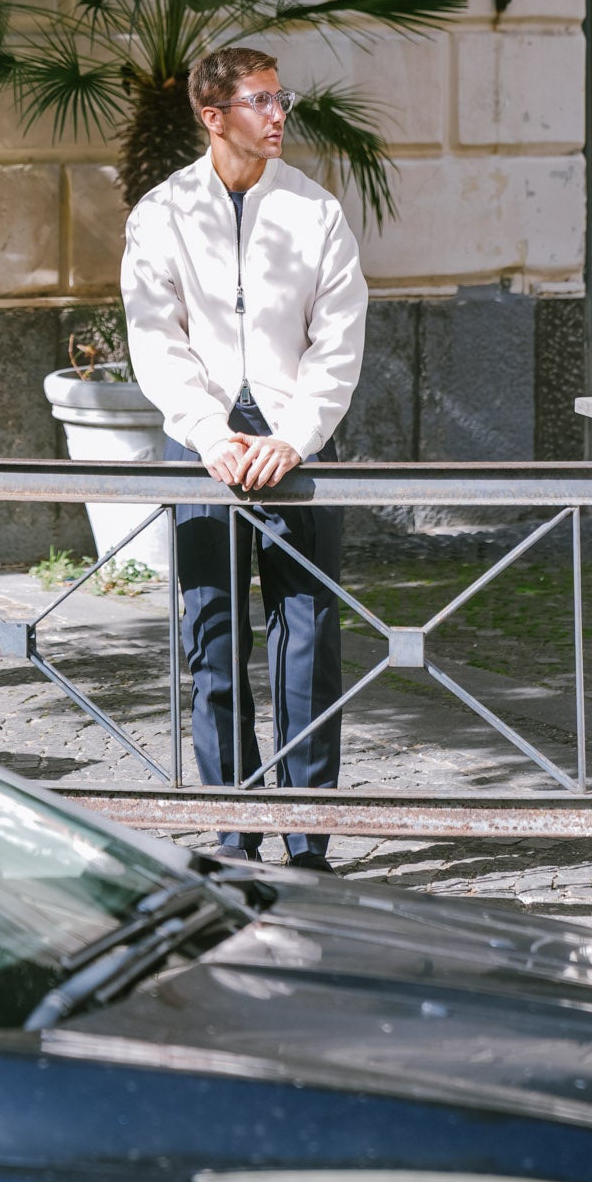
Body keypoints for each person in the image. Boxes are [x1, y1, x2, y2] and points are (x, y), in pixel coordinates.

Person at [120, 45, 368, 869]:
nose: (277, 114)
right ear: (212, 115)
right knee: (214, 640)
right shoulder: (161, 213)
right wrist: (209, 434)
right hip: (203, 447)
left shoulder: (315, 211)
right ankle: (233, 833)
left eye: (280, 98)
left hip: (301, 443)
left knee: (308, 641)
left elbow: (339, 341)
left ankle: (307, 840)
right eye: (259, 101)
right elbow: (155, 340)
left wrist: (294, 437)